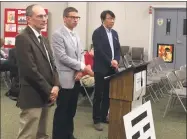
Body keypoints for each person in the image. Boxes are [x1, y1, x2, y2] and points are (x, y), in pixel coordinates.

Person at [15, 4, 60, 139]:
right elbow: (29, 70)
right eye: (40, 16)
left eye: (45, 15)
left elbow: (53, 65)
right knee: (28, 134)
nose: (44, 19)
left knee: (42, 133)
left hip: (46, 93)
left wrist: (56, 85)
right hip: (33, 93)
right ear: (29, 19)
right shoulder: (22, 38)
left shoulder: (44, 38)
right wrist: (49, 90)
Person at [52, 7, 92, 139]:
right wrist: (81, 66)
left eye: (77, 17)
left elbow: (81, 53)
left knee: (71, 110)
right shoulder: (57, 35)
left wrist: (80, 70)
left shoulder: (76, 34)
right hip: (64, 79)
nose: (76, 20)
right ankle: (58, 136)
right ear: (65, 18)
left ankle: (69, 134)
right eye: (73, 17)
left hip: (76, 77)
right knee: (62, 111)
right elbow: (62, 57)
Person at [92, 10, 120, 131]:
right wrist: (110, 61)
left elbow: (117, 49)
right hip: (101, 68)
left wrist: (116, 60)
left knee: (109, 94)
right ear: (103, 19)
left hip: (112, 68)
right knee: (99, 94)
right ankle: (96, 119)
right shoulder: (97, 32)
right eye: (110, 18)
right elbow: (99, 50)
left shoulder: (114, 33)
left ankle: (104, 116)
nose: (112, 21)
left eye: (113, 19)